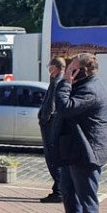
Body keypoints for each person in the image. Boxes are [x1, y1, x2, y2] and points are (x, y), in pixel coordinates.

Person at [45, 53, 107, 213]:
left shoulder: (90, 89)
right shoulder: (82, 85)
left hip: (86, 153)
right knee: (69, 195)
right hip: (71, 150)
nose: (67, 72)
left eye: (71, 68)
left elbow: (65, 107)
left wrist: (64, 82)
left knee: (87, 198)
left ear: (80, 70)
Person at [38, 57, 67, 203]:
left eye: (50, 66)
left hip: (50, 125)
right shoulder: (55, 80)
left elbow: (51, 105)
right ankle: (58, 189)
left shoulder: (58, 82)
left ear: (55, 67)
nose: (48, 69)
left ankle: (60, 191)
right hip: (51, 123)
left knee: (53, 157)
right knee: (54, 158)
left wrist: (44, 120)